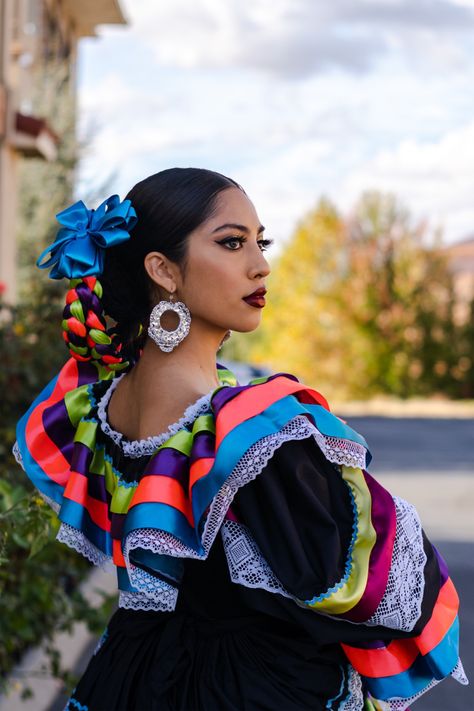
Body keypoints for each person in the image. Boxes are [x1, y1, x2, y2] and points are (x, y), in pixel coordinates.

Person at [14, 167, 467, 711]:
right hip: (246, 687)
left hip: (130, 675)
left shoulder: (96, 405)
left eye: (261, 241)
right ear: (162, 269)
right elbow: (371, 586)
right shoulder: (247, 429)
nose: (261, 265)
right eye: (231, 243)